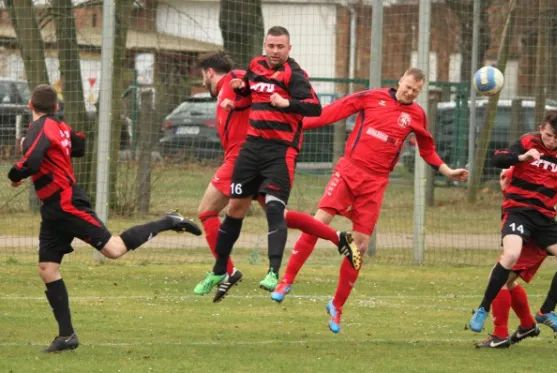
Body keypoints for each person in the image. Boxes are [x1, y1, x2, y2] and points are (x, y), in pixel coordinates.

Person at [270, 67, 469, 333]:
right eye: (407, 86)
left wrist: (447, 171)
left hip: (375, 183)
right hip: (349, 170)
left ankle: (337, 306)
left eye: (415, 91)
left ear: (419, 92)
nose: (409, 92)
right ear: (400, 80)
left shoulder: (417, 115)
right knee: (320, 221)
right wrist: (292, 125)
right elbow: (331, 113)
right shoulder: (369, 97)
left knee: (360, 247)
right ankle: (287, 280)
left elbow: (427, 150)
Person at [8, 85, 202, 353]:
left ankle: (168, 220)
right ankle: (66, 336)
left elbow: (32, 161)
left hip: (66, 204)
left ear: (30, 105)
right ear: (55, 108)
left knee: (113, 249)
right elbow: (79, 145)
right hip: (53, 210)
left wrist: (14, 174)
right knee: (47, 269)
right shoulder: (60, 126)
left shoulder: (38, 129)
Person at [192, 51, 359, 295]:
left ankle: (226, 270)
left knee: (206, 211)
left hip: (244, 157)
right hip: (248, 157)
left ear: (209, 72)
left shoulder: (234, 78)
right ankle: (339, 238)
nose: (203, 82)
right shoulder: (229, 90)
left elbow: (261, 87)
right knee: (280, 215)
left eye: (202, 76)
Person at [469, 109, 557, 336]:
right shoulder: (527, 142)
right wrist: (521, 157)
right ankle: (482, 309)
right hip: (518, 211)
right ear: (542, 129)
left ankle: (546, 311)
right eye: (548, 135)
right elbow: (497, 158)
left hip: (545, 218)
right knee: (511, 255)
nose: (551, 141)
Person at [476, 167, 544, 349]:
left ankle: (500, 335)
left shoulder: (535, 176)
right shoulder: (523, 175)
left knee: (498, 280)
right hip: (528, 239)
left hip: (531, 240)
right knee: (507, 281)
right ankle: (528, 325)